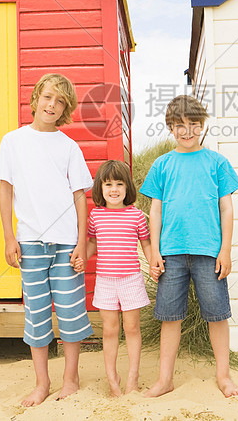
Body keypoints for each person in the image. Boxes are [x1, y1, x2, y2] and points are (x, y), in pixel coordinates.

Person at [0, 73, 94, 407]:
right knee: (36, 314)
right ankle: (41, 382)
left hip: (66, 243)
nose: (52, 105)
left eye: (60, 101)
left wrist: (81, 243)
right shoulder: (13, 141)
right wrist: (10, 238)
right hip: (30, 242)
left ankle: (71, 377)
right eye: (48, 97)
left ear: (65, 108)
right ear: (36, 98)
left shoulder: (69, 146)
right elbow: (5, 192)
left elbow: (81, 196)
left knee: (69, 312)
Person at [140, 95, 238, 398]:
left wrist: (225, 250)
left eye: (194, 124)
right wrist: (156, 251)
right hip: (171, 252)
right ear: (170, 128)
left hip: (209, 252)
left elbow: (226, 208)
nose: (187, 131)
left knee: (217, 314)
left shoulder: (216, 162)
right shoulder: (163, 165)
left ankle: (223, 376)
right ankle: (164, 379)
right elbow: (155, 211)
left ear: (203, 125)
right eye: (180, 125)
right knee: (170, 316)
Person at [74, 160, 152, 396]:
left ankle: (132, 379)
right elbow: (91, 244)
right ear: (100, 188)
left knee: (131, 328)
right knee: (109, 330)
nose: (114, 189)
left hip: (131, 280)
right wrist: (81, 259)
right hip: (105, 282)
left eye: (119, 183)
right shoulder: (96, 216)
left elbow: (146, 244)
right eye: (108, 184)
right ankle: (112, 378)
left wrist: (155, 265)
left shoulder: (137, 216)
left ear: (128, 187)